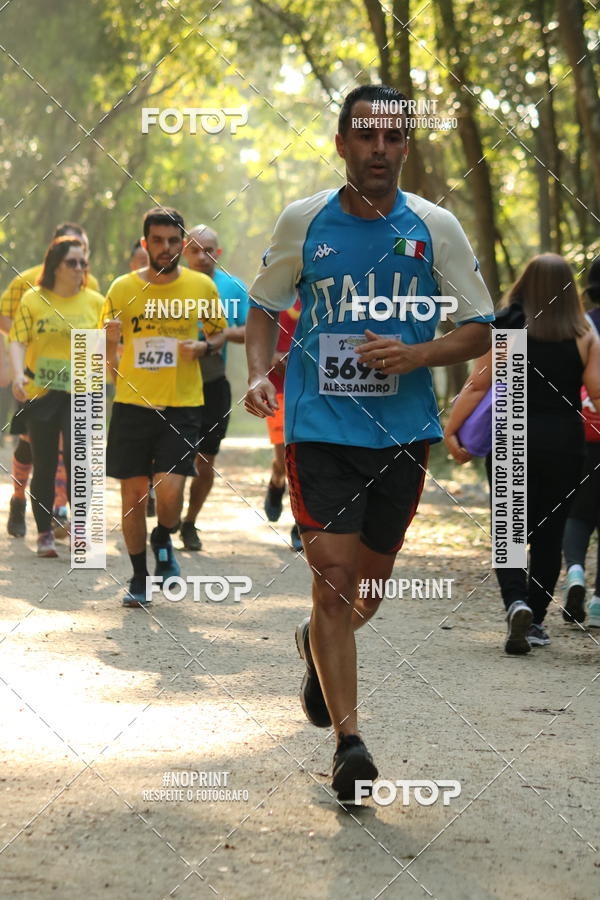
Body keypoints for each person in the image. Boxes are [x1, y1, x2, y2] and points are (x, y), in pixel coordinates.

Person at [244, 83, 494, 801]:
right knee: (332, 580)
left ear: (405, 146)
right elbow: (265, 305)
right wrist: (261, 372)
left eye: (392, 138)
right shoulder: (304, 221)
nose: (379, 149)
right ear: (342, 143)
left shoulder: (436, 228)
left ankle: (315, 646)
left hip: (401, 434)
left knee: (366, 593)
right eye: (366, 136)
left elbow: (483, 326)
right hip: (319, 428)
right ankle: (349, 744)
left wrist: (417, 355)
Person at [445, 254, 600, 653]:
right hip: (565, 443)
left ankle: (515, 602)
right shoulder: (583, 333)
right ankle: (536, 620)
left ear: (524, 284)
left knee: (510, 530)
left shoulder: (507, 325)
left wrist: (451, 429)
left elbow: (478, 385)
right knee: (549, 535)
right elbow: (597, 395)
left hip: (513, 435)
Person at [102, 207, 226, 607]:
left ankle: (163, 536)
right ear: (145, 244)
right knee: (133, 494)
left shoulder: (201, 288)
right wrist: (110, 347)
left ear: (182, 244)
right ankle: (139, 576)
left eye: (174, 241)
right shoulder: (121, 289)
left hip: (182, 404)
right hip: (132, 405)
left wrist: (204, 346)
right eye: (158, 240)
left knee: (169, 491)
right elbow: (103, 352)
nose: (166, 248)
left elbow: (220, 334)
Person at [0, 222, 100, 538]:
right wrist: (27, 353)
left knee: (68, 449)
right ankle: (18, 499)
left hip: (74, 384)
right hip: (34, 379)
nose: (80, 264)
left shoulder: (91, 284)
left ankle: (60, 512)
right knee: (30, 447)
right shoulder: (25, 282)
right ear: (54, 253)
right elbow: (7, 321)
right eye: (72, 255)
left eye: (83, 255)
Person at [179, 225, 249, 551]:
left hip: (212, 381)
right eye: (195, 249)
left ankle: (189, 521)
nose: (202, 256)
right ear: (184, 252)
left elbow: (252, 330)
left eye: (209, 250)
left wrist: (218, 337)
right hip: (172, 382)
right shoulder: (169, 285)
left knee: (204, 463)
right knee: (169, 457)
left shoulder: (233, 288)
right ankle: (165, 512)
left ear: (217, 253)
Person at [562, 257, 600, 627]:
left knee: (578, 514)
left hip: (581, 433)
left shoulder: (579, 325)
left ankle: (574, 571)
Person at [263, 298, 303, 551]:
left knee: (303, 460)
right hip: (278, 389)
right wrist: (272, 357)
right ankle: (276, 480)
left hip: (311, 387)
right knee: (284, 461)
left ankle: (299, 525)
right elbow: (255, 337)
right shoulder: (274, 292)